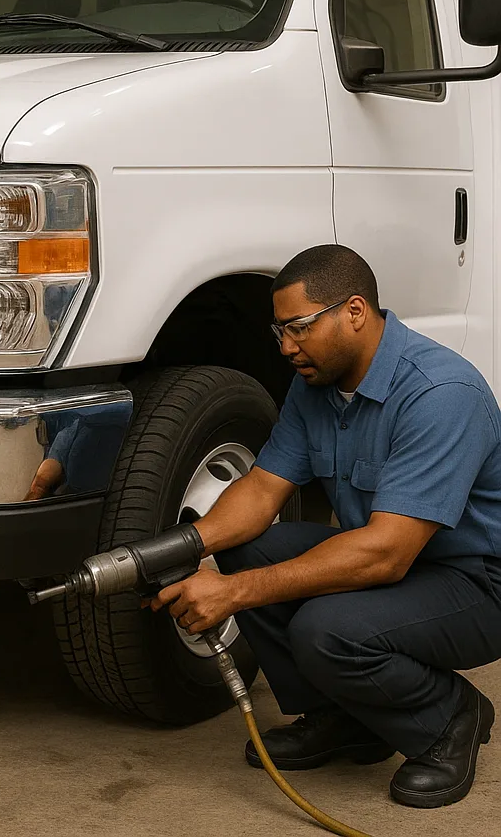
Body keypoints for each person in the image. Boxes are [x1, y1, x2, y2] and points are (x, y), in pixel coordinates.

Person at [147, 245, 501, 808]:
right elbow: (262, 491)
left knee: (327, 629)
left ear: (355, 311)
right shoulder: (316, 386)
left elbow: (385, 554)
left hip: (474, 582)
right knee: (251, 547)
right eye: (278, 330)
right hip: (392, 560)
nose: (286, 347)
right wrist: (178, 547)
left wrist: (231, 593)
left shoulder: (440, 394)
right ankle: (347, 717)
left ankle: (449, 716)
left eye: (299, 327)